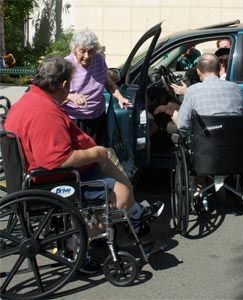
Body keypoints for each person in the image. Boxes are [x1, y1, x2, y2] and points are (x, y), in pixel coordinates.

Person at [4, 55, 164, 242]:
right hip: (57, 179)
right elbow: (57, 159)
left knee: (108, 154)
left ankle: (134, 215)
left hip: (43, 173)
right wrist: (94, 152)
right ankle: (78, 240)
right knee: (121, 191)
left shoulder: (30, 99)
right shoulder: (44, 113)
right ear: (64, 84)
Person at [63, 30, 129, 146]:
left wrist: (120, 97)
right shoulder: (65, 65)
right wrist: (71, 97)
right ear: (74, 49)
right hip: (75, 120)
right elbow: (53, 97)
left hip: (98, 117)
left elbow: (108, 83)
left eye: (91, 51)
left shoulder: (98, 59)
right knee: (81, 157)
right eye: (82, 51)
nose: (87, 56)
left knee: (98, 151)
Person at [170, 53, 243, 130]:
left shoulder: (192, 90)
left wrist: (175, 115)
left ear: (198, 71)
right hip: (234, 138)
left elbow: (182, 124)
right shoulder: (236, 88)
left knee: (175, 117)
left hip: (204, 140)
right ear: (218, 69)